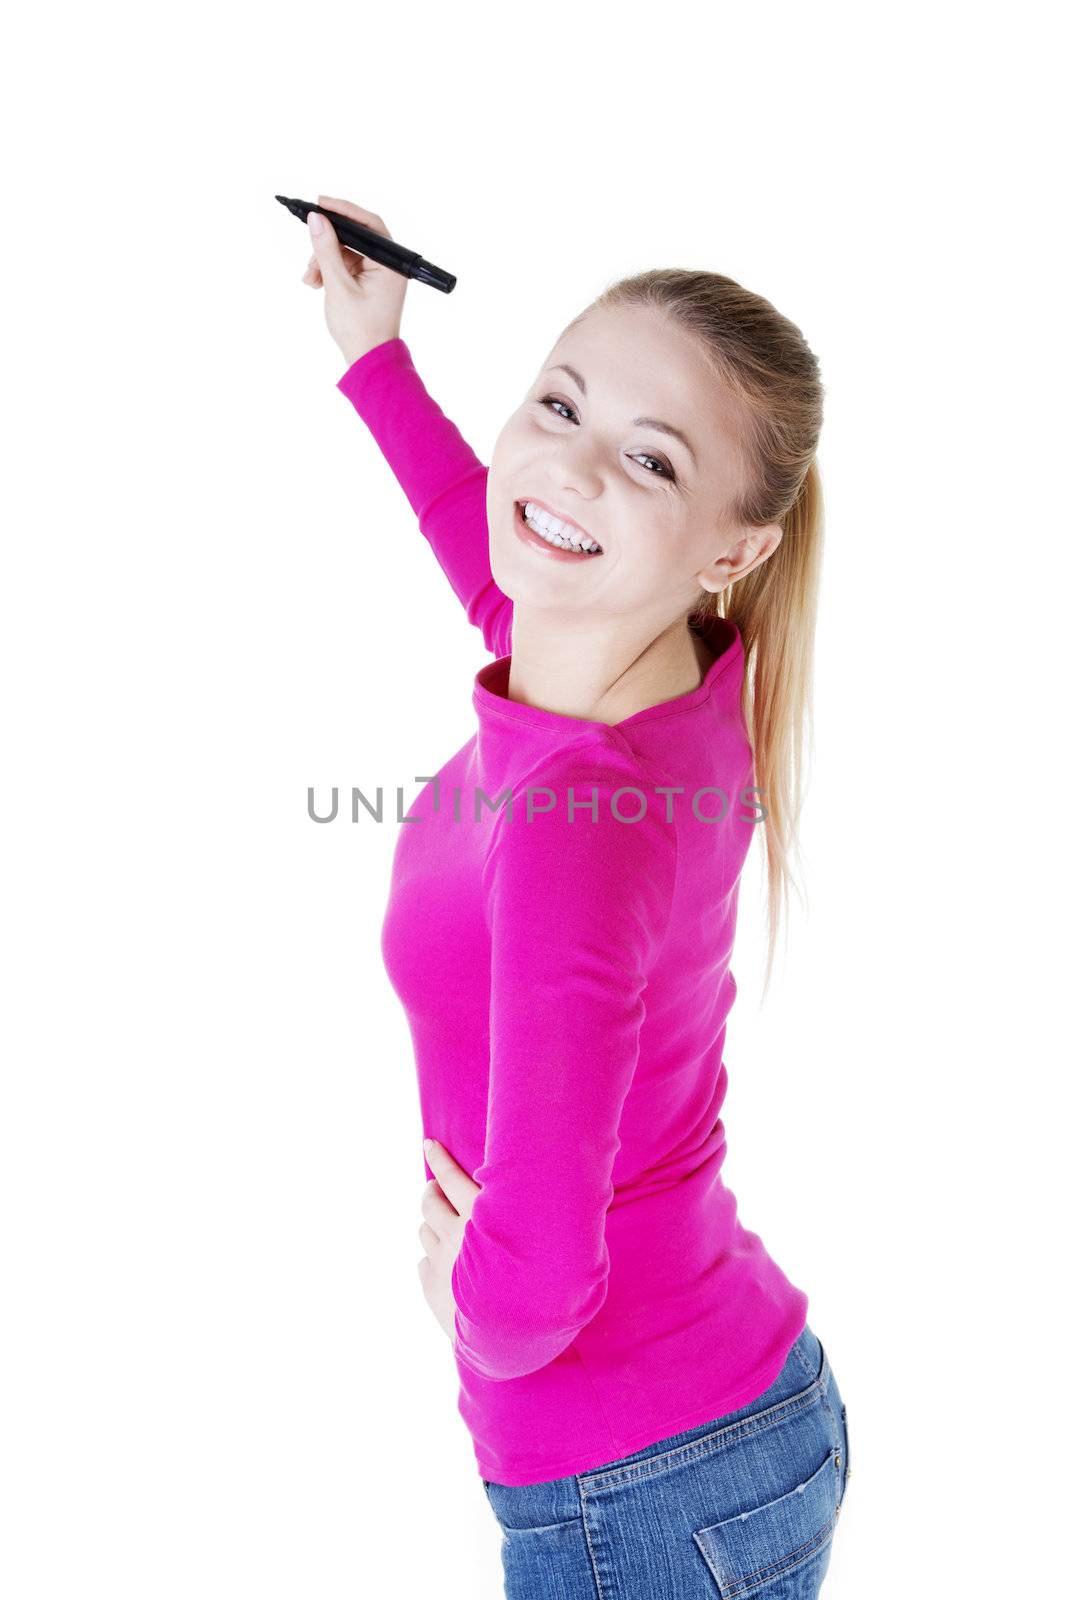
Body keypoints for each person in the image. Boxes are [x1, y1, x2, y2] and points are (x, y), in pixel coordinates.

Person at [301, 194, 851, 1597]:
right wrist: (376, 358)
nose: (570, 468)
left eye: (649, 462)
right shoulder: (649, 680)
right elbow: (496, 563)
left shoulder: (577, 829)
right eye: (558, 403)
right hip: (721, 1422)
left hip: (641, 1488)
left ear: (733, 550)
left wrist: (459, 1305)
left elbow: (536, 1285)